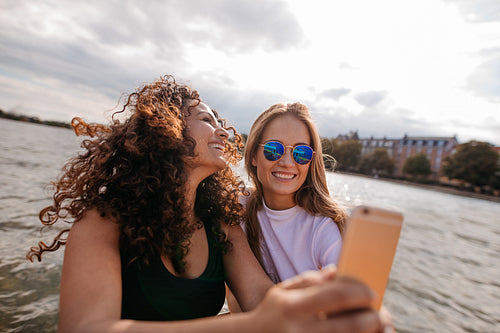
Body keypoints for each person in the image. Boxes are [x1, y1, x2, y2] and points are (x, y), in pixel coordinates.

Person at [27, 75, 385, 333]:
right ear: (166, 128)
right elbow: (86, 328)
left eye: (221, 123)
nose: (225, 133)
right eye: (205, 119)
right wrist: (257, 324)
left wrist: (313, 312)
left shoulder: (223, 221)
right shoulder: (104, 220)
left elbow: (261, 298)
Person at [241, 102, 347, 283]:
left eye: (301, 153)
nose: (288, 163)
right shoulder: (239, 205)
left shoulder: (323, 228)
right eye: (273, 149)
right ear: (253, 156)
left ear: (311, 161)